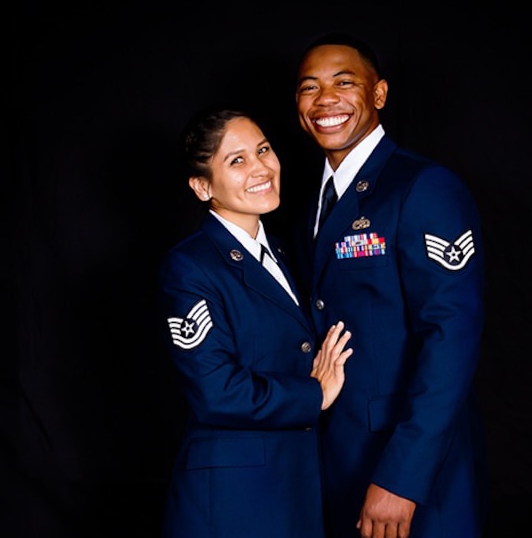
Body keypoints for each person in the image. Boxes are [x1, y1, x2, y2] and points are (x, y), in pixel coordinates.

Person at [293, 33, 487, 538]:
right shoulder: (303, 200)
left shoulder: (422, 188)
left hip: (407, 471)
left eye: (344, 82)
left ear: (378, 94)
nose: (325, 100)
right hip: (330, 461)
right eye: (309, 87)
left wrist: (403, 477)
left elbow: (451, 339)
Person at [158, 105, 354, 538]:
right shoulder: (191, 266)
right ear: (201, 185)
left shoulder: (285, 252)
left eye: (263, 150)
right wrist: (314, 394)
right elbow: (216, 391)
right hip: (235, 499)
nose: (261, 167)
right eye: (237, 160)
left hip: (295, 487)